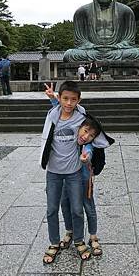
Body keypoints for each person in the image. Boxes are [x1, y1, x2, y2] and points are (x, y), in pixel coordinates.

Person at [40, 81, 109, 264]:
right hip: (53, 172)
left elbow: (91, 133)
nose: (69, 103)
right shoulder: (53, 115)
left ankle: (79, 240)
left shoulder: (81, 118)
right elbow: (59, 107)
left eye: (73, 100)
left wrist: (89, 157)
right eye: (65, 99)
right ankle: (54, 242)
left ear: (78, 101)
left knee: (78, 209)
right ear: (60, 98)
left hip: (74, 172)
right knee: (52, 209)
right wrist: (53, 97)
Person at [63, 0, 139, 62]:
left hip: (117, 50)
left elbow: (129, 39)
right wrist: (93, 46)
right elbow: (80, 40)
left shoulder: (125, 11)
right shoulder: (82, 12)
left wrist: (117, 46)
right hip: (93, 51)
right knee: (69, 54)